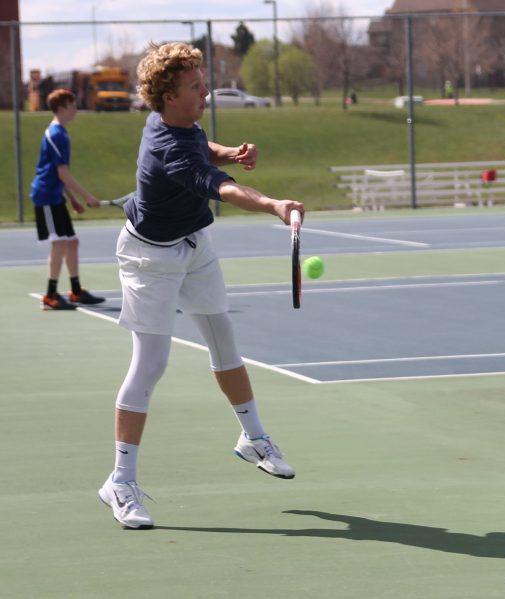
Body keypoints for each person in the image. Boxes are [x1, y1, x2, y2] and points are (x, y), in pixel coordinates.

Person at [97, 42, 305, 530]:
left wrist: (228, 150)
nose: (205, 92)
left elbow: (202, 147)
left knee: (223, 339)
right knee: (151, 363)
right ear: (168, 96)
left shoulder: (176, 124)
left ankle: (253, 438)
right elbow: (223, 189)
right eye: (195, 87)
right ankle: (119, 482)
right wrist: (275, 204)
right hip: (150, 259)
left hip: (194, 245)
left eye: (202, 82)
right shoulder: (170, 148)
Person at [30, 88, 105, 310]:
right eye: (72, 106)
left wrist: (71, 199)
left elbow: (58, 172)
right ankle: (51, 295)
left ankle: (75, 291)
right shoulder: (56, 134)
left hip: (55, 195)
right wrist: (88, 197)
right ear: (62, 108)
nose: (75, 109)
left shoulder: (61, 133)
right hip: (45, 196)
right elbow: (62, 172)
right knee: (60, 243)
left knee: (72, 242)